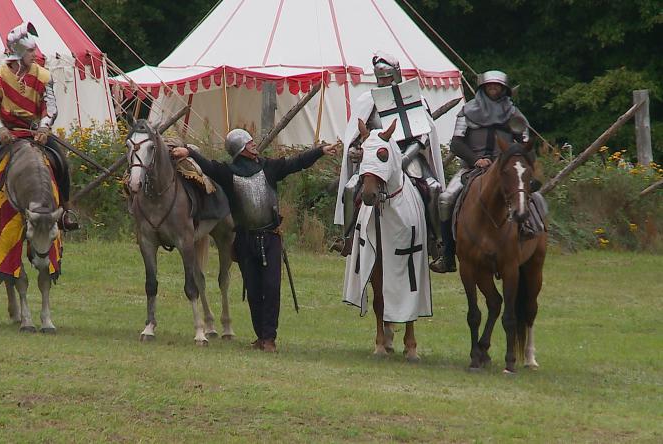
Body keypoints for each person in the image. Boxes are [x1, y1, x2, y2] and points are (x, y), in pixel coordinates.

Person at [171, 129, 337, 352]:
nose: (254, 145)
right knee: (253, 289)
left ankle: (269, 338)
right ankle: (261, 336)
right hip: (245, 240)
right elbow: (208, 166)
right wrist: (189, 151)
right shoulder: (228, 173)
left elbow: (296, 163)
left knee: (271, 288)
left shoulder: (269, 168)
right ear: (240, 149)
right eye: (249, 143)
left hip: (270, 238)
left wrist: (320, 151)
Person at [334, 52, 445, 260]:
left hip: (408, 156)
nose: (384, 82)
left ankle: (436, 241)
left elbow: (422, 136)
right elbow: (358, 137)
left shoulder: (415, 99)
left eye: (387, 77)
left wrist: (402, 160)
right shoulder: (368, 102)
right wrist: (355, 150)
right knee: (350, 189)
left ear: (396, 75)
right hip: (376, 159)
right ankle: (347, 238)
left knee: (433, 188)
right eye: (380, 78)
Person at [0, 22, 78, 232]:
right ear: (17, 51)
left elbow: (50, 106)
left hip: (36, 134)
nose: (35, 54)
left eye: (34, 50)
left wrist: (45, 127)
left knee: (62, 163)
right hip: (7, 136)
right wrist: (0, 129)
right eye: (30, 50)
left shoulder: (44, 76)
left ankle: (65, 209)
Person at [430, 70, 531, 273]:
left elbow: (525, 143)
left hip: (505, 170)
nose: (493, 88)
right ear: (483, 88)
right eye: (490, 85)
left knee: (530, 198)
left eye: (497, 86)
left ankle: (526, 242)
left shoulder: (514, 114)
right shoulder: (467, 111)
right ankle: (448, 255)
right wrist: (476, 159)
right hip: (472, 168)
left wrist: (509, 161)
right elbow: (456, 144)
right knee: (445, 199)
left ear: (504, 89)